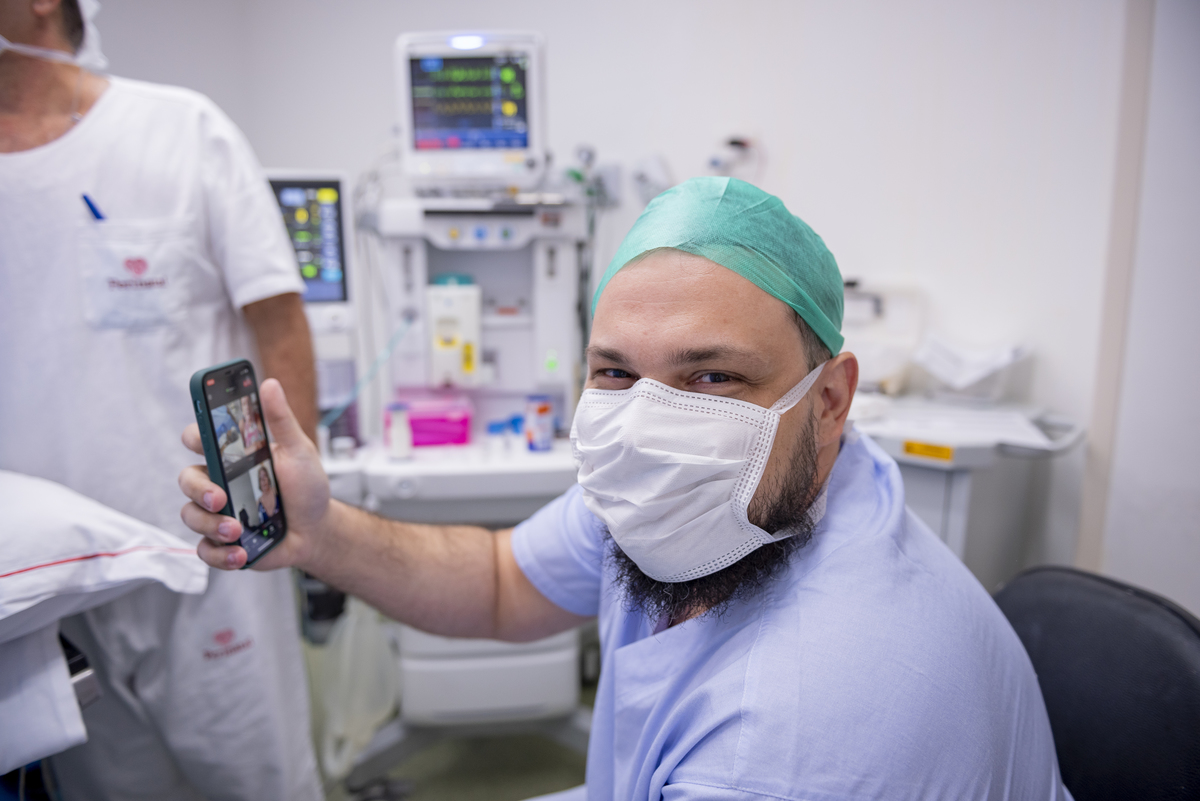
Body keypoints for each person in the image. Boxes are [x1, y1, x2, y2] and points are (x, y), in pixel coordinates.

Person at [181, 177, 1071, 800]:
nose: (649, 425)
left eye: (713, 377)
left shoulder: (789, 747)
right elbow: (502, 580)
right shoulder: (737, 487)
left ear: (829, 397)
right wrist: (320, 531)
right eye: (614, 372)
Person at [0, 1, 323, 798]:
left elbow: (279, 323)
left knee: (260, 783)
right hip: (48, 589)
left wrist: (295, 524)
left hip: (209, 563)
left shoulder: (179, 131)